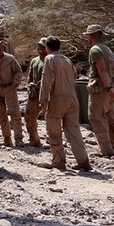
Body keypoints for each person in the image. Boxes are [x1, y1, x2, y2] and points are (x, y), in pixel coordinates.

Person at [37, 36, 91, 171]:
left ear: (47, 47)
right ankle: (83, 160)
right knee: (74, 131)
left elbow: (47, 80)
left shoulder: (50, 59)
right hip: (72, 98)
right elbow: (74, 77)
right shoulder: (66, 60)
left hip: (57, 99)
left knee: (54, 131)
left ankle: (58, 160)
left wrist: (42, 100)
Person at [85, 23, 114, 158]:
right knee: (110, 119)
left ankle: (106, 151)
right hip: (110, 89)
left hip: (101, 90)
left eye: (88, 35)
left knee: (97, 118)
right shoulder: (107, 50)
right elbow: (113, 73)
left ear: (92, 35)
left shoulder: (95, 50)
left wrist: (109, 88)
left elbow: (102, 70)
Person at [24, 38, 48, 148]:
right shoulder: (34, 60)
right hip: (34, 93)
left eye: (43, 46)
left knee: (51, 117)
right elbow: (29, 75)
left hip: (47, 94)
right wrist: (29, 85)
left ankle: (52, 140)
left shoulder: (50, 60)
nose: (40, 48)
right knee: (29, 116)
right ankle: (34, 140)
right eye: (39, 46)